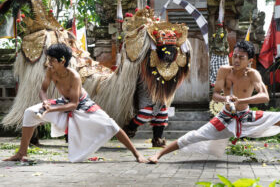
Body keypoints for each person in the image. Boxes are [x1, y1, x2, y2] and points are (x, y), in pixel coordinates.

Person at [4, 43, 147, 163]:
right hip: (62, 103)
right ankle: (22, 153)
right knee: (30, 112)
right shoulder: (50, 71)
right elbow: (42, 90)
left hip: (83, 106)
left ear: (62, 61)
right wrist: (45, 101)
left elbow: (73, 104)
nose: (49, 63)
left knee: (112, 125)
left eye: (52, 60)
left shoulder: (74, 76)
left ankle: (137, 154)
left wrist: (50, 110)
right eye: (48, 60)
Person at [148, 41, 280, 163]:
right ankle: (158, 155)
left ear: (250, 60)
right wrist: (225, 99)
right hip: (225, 116)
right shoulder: (224, 71)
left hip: (245, 116)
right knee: (193, 136)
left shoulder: (253, 74)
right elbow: (215, 95)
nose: (236, 60)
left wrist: (241, 101)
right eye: (235, 56)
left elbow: (265, 96)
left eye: (241, 57)